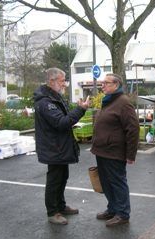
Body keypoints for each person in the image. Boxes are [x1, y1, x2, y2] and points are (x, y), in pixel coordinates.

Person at [34, 68, 90, 225]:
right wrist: (81, 110)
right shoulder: (45, 102)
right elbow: (61, 123)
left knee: (62, 178)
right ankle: (52, 212)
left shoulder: (54, 98)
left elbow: (63, 119)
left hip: (59, 146)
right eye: (62, 81)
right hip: (54, 148)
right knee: (54, 180)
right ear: (51, 81)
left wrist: (76, 111)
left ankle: (61, 206)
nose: (65, 84)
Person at [91, 73, 140, 227]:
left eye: (106, 83)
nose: (102, 85)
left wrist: (131, 154)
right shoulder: (108, 101)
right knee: (106, 182)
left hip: (114, 152)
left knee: (117, 182)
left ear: (116, 85)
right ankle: (112, 208)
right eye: (102, 83)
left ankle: (123, 213)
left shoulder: (123, 102)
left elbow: (133, 129)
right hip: (102, 151)